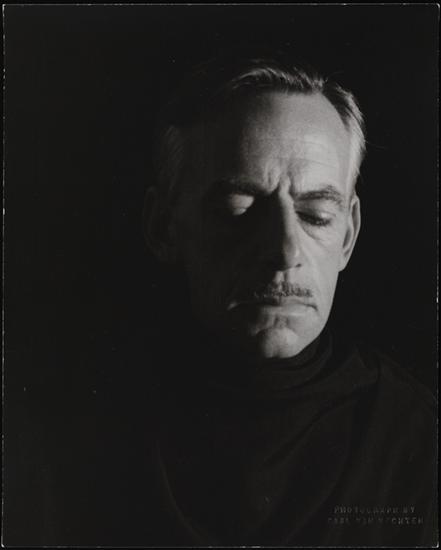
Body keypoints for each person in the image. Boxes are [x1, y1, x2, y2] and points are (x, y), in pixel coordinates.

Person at [6, 54, 436, 548]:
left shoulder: (419, 446)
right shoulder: (61, 441)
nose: (285, 252)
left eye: (316, 215)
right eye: (238, 209)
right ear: (163, 226)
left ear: (348, 236)